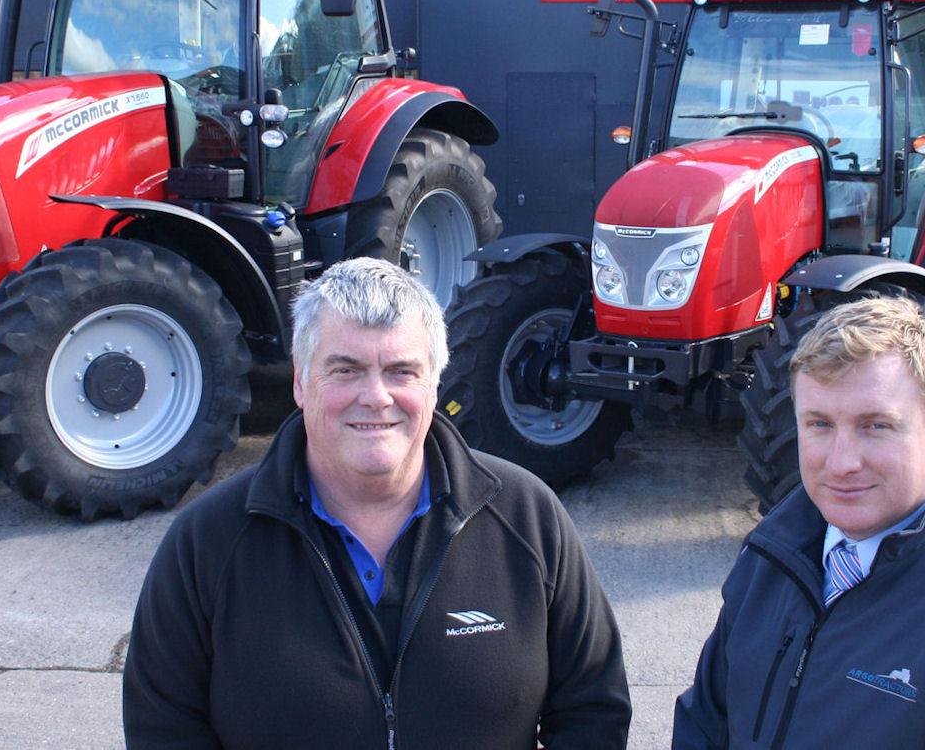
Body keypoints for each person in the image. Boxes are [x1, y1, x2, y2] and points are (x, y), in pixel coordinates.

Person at [123, 257, 631, 749]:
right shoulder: (206, 543)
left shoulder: (527, 518)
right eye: (346, 370)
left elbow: (593, 707)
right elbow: (163, 728)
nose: (376, 396)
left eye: (401, 371)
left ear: (435, 382)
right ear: (301, 380)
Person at [672, 295, 925, 749]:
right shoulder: (773, 552)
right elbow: (706, 721)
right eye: (819, 424)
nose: (842, 463)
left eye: (875, 426)